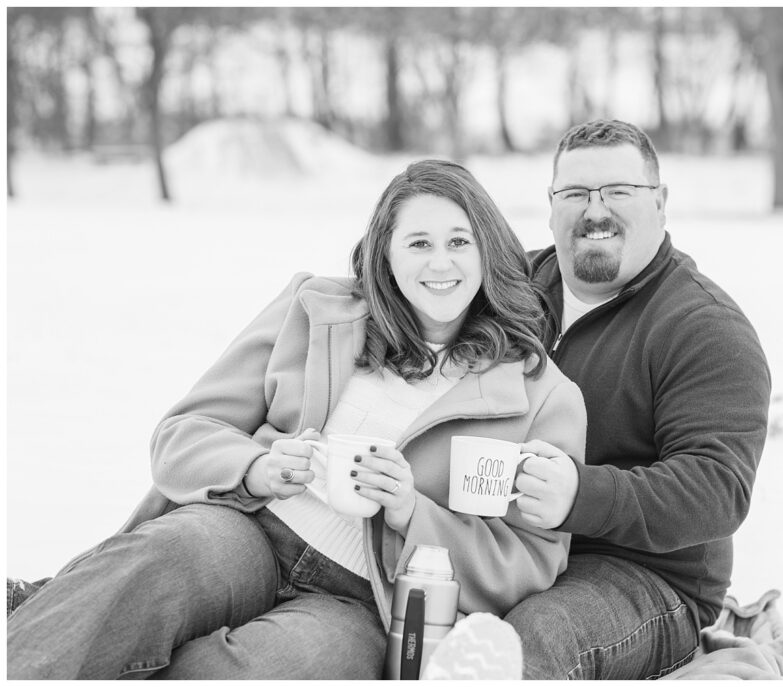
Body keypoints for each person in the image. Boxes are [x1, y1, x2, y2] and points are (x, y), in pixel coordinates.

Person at [6, 159, 586, 679]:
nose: (441, 263)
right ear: (384, 253)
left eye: (459, 241)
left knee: (264, 669)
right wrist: (257, 466)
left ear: (488, 249)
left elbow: (530, 560)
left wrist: (414, 513)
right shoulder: (314, 311)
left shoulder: (538, 396)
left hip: (365, 599)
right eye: (417, 244)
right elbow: (182, 434)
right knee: (153, 567)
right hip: (245, 532)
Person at [432, 119, 772, 680]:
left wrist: (580, 495)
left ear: (660, 203)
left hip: (638, 576)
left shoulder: (703, 327)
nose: (595, 210)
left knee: (523, 645)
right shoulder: (511, 289)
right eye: (575, 194)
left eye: (618, 191)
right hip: (499, 542)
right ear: (550, 204)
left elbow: (718, 489)